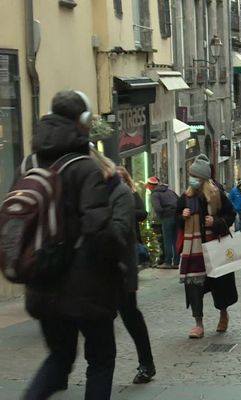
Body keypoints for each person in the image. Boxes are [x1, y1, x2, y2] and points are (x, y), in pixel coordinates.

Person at [23, 90, 119, 400]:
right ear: (83, 122)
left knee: (60, 358)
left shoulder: (30, 163)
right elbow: (98, 229)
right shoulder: (85, 167)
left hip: (42, 281)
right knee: (101, 360)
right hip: (86, 287)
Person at [93, 153, 156, 385]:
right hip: (98, 269)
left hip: (120, 266)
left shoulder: (123, 194)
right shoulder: (89, 193)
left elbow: (122, 229)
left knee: (130, 316)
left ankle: (147, 363)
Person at [177, 154, 238, 339]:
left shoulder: (216, 195)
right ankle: (198, 324)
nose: (192, 179)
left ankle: (223, 313)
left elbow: (231, 214)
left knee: (220, 286)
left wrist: (216, 221)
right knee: (194, 287)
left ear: (203, 179)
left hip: (214, 246)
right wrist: (182, 216)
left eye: (195, 176)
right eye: (190, 176)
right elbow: (177, 221)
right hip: (194, 250)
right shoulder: (185, 198)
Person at [148, 176, 180, 269]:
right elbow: (179, 201)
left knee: (167, 240)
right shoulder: (170, 191)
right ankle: (176, 262)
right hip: (176, 217)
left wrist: (161, 215)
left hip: (166, 218)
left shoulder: (155, 194)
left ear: (151, 186)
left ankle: (168, 262)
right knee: (175, 240)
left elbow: (157, 208)